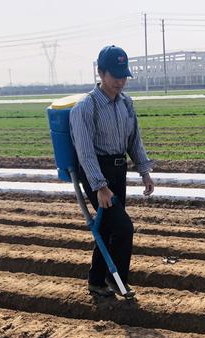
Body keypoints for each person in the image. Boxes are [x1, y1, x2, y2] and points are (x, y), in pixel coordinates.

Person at [70, 45, 154, 299]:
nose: (121, 81)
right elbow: (84, 152)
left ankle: (96, 281)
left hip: (119, 170)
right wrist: (100, 186)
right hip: (96, 171)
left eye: (124, 75)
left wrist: (144, 171)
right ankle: (117, 280)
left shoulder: (126, 104)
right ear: (101, 72)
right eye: (115, 75)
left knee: (107, 228)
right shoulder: (86, 107)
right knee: (123, 227)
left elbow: (134, 141)